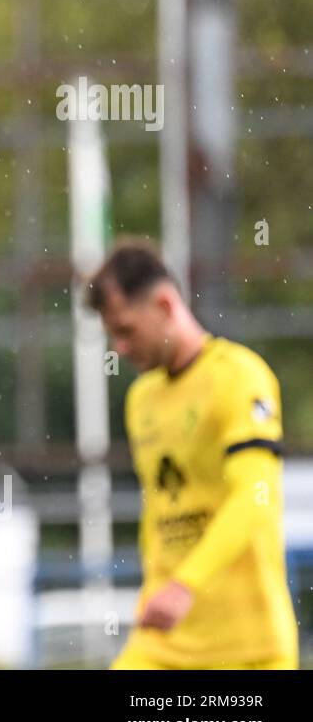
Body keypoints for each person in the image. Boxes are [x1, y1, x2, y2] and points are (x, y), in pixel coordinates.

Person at [86, 239, 298, 669]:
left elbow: (255, 499)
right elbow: (160, 511)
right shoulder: (141, 399)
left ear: (165, 304)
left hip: (250, 648)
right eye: (112, 334)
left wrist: (185, 585)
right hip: (164, 646)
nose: (119, 348)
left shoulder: (240, 376)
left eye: (125, 329)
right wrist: (156, 592)